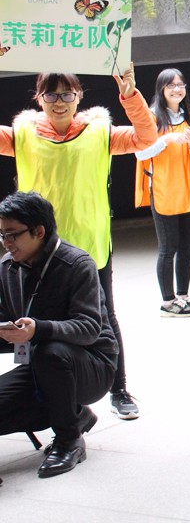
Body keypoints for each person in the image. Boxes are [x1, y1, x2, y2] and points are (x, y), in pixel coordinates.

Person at [0, 64, 156, 420]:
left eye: (67, 94)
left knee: (103, 319)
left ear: (79, 96)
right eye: (51, 94)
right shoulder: (22, 134)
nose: (59, 102)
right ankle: (54, 396)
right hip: (38, 252)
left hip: (89, 247)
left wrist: (130, 95)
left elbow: (146, 138)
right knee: (39, 322)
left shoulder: (98, 131)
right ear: (38, 98)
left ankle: (118, 389)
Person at [0, 191, 118, 478]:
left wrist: (39, 329)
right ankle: (73, 413)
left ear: (39, 231)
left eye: (12, 235)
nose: (6, 242)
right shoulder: (8, 268)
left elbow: (89, 328)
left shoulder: (76, 264)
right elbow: (6, 320)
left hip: (91, 364)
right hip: (38, 364)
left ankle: (69, 440)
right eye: (2, 235)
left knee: (50, 351)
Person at [135, 68, 190, 317]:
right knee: (168, 248)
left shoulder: (188, 117)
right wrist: (165, 141)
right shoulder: (152, 117)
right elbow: (139, 153)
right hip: (163, 188)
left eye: (181, 85)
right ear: (161, 89)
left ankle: (183, 296)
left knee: (186, 247)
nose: (177, 89)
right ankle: (168, 302)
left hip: (187, 187)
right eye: (171, 85)